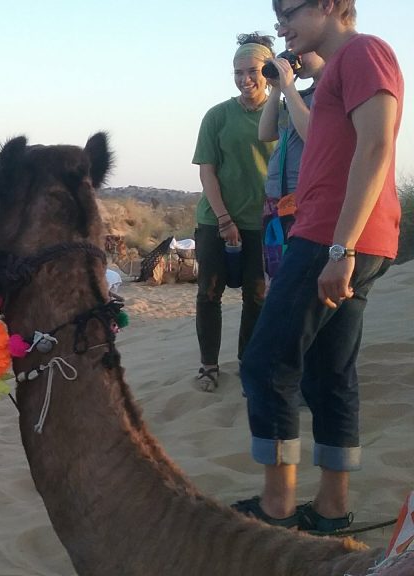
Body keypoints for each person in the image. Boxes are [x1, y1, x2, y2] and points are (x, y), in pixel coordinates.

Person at [234, 0, 403, 533]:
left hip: (332, 236)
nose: (281, 25)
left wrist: (341, 248)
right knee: (329, 372)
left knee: (266, 364)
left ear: (329, 5)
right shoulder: (334, 72)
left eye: (288, 12)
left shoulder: (364, 52)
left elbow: (375, 146)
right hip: (340, 236)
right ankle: (331, 510)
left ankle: (276, 510)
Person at [191, 33, 278, 391]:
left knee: (256, 297)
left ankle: (248, 364)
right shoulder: (217, 116)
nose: (245, 80)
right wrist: (224, 220)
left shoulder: (285, 114)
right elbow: (207, 172)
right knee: (208, 294)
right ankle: (208, 366)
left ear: (268, 72)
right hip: (215, 220)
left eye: (253, 71)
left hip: (263, 224)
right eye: (238, 72)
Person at [258, 48, 326, 280]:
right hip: (277, 199)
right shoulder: (299, 96)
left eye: (303, 51)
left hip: (304, 198)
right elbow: (265, 133)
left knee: (297, 278)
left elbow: (312, 135)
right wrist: (277, 88)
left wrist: (289, 88)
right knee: (276, 274)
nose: (297, 58)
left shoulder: (326, 94)